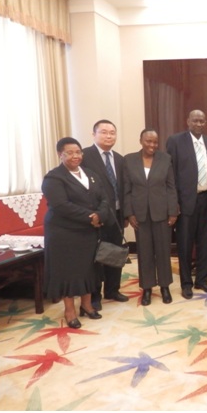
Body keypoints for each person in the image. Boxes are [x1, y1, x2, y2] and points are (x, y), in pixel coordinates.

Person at [42, 137, 108, 329]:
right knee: (69, 272)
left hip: (88, 232)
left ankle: (86, 305)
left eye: (78, 152)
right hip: (64, 232)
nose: (75, 156)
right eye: (69, 153)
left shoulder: (90, 174)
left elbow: (104, 198)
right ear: (60, 154)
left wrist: (100, 214)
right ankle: (69, 310)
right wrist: (91, 217)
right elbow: (61, 205)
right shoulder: (53, 178)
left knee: (88, 268)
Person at [166, 110, 207, 299]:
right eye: (195, 120)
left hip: (206, 200)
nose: (198, 124)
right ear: (188, 121)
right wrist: (174, 203)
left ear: (205, 122)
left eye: (202, 121)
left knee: (205, 244)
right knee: (185, 244)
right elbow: (170, 174)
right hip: (185, 201)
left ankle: (202, 280)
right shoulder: (175, 141)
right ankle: (186, 283)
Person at [123, 129, 179, 305]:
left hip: (162, 212)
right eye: (148, 141)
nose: (152, 145)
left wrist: (173, 211)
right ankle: (147, 288)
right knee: (144, 252)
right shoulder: (129, 160)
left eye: (155, 142)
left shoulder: (165, 159)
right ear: (141, 140)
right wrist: (129, 213)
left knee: (163, 251)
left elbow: (171, 187)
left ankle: (164, 286)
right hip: (140, 215)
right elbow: (126, 189)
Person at [82, 119, 129, 310]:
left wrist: (125, 214)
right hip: (96, 216)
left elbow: (123, 188)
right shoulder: (85, 156)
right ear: (93, 134)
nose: (109, 136)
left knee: (115, 252)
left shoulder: (119, 158)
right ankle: (95, 295)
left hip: (117, 214)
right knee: (96, 256)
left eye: (112, 132)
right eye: (103, 132)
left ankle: (113, 289)